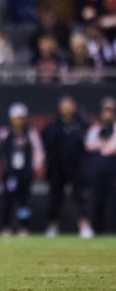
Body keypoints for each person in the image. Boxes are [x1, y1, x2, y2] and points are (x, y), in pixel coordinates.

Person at [42, 95, 93, 238]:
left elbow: (88, 145)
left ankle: (84, 225)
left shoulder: (82, 124)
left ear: (74, 106)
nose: (67, 108)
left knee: (80, 197)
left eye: (69, 105)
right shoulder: (54, 124)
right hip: (57, 166)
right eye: (64, 105)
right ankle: (52, 226)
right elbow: (47, 143)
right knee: (55, 198)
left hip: (77, 166)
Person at [0, 103, 45, 236]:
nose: (18, 121)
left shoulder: (31, 134)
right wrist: (3, 167)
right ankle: (6, 226)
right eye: (16, 118)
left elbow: (38, 152)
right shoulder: (4, 133)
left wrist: (36, 167)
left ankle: (24, 227)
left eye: (20, 118)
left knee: (25, 201)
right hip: (10, 173)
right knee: (8, 200)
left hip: (25, 173)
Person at [85, 97, 116, 234]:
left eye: (111, 111)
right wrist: (102, 144)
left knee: (114, 201)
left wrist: (104, 146)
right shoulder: (95, 128)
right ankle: (97, 230)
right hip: (98, 170)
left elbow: (112, 148)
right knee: (97, 200)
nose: (108, 114)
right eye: (106, 111)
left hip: (113, 168)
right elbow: (88, 145)